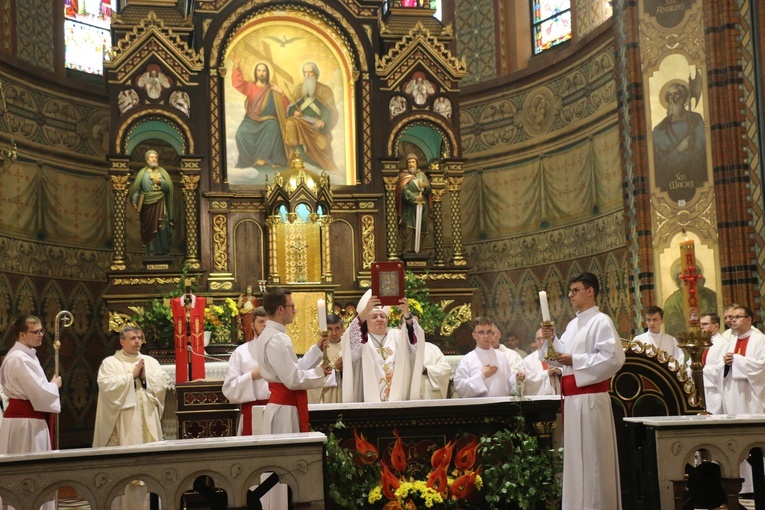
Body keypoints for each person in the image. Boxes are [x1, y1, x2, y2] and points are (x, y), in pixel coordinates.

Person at [541, 272, 625, 510]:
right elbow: (560, 357)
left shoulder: (601, 321)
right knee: (576, 460)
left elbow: (614, 358)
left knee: (593, 457)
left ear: (590, 291)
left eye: (575, 290)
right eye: (570, 291)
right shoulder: (573, 324)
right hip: (574, 401)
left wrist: (574, 360)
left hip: (590, 400)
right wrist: (552, 340)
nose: (570, 295)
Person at [702, 306, 765, 495]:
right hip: (732, 394)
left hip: (751, 396)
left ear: (749, 319)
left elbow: (762, 366)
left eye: (738, 317)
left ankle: (758, 485)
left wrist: (737, 360)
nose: (733, 320)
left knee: (754, 442)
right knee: (736, 441)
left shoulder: (760, 339)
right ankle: (743, 485)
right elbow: (722, 364)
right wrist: (726, 363)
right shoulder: (732, 341)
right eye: (732, 317)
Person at [0, 316, 61, 510]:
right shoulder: (19, 358)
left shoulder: (25, 356)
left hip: (25, 420)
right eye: (36, 332)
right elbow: (38, 392)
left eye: (41, 331)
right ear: (22, 334)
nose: (41, 335)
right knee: (28, 474)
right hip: (25, 423)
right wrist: (54, 385)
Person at [255, 288, 329, 434]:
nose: (295, 311)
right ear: (281, 309)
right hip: (284, 412)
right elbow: (293, 379)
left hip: (282, 408)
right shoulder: (278, 338)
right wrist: (320, 372)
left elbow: (293, 369)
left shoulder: (269, 334)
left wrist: (316, 350)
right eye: (292, 306)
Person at [340, 291, 425, 403]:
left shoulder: (396, 336)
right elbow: (351, 346)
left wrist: (407, 314)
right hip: (368, 398)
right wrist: (366, 310)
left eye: (382, 316)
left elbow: (415, 347)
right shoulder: (363, 339)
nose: (379, 319)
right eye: (374, 316)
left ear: (387, 320)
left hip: (398, 397)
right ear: (366, 321)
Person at [93, 326, 171, 447]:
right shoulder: (110, 363)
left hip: (148, 415)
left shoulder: (151, 361)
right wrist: (131, 377)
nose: (137, 341)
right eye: (133, 338)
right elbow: (106, 385)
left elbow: (163, 382)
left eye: (139, 338)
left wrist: (146, 378)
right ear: (122, 342)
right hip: (125, 418)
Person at [652, 82, 708, 203]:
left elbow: (702, 153)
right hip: (670, 185)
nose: (673, 98)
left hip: (694, 181)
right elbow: (658, 161)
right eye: (670, 95)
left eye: (676, 94)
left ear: (684, 97)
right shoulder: (659, 129)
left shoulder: (695, 120)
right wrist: (679, 149)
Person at [231, 58, 290, 169]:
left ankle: (262, 157)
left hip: (268, 121)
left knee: (273, 127)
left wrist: (281, 93)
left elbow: (285, 106)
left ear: (267, 73)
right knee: (240, 133)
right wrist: (237, 66)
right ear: (255, 72)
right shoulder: (250, 86)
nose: (261, 73)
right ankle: (248, 160)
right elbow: (238, 84)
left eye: (264, 71)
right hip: (251, 120)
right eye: (259, 70)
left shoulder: (272, 89)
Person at [283, 62, 338, 171]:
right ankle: (300, 156)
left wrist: (323, 120)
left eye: (310, 72)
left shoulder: (324, 90)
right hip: (300, 122)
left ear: (315, 74)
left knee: (322, 144)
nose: (307, 75)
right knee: (290, 123)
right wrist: (294, 113)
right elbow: (292, 107)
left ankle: (315, 163)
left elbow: (329, 111)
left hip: (315, 124)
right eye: (305, 72)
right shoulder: (299, 89)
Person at [222, 306, 269, 435]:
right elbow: (229, 389)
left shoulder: (281, 349)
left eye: (268, 322)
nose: (265, 325)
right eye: (261, 322)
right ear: (252, 325)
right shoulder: (241, 352)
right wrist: (252, 376)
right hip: (251, 410)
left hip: (277, 409)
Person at [454, 317, 526, 398]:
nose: (486, 336)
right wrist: (482, 375)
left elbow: (507, 383)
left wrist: (517, 379)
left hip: (502, 405)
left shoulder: (502, 357)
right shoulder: (467, 359)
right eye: (481, 332)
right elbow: (460, 387)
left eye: (489, 332)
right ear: (474, 335)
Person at [128, 149, 174, 256]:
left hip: (160, 202)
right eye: (151, 157)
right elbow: (137, 190)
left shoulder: (162, 172)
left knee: (162, 227)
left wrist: (160, 182)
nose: (153, 159)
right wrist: (134, 202)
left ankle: (163, 251)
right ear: (147, 159)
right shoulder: (142, 173)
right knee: (149, 229)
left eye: (155, 157)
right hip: (146, 206)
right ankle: (151, 252)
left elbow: (169, 188)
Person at [663, 259, 718, 336]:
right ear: (678, 279)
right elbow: (673, 329)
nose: (690, 279)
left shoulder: (711, 295)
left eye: (694, 273)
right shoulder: (672, 302)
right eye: (685, 275)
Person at [395, 153, 432, 253]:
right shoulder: (403, 176)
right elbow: (403, 190)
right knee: (408, 229)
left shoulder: (422, 175)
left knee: (420, 230)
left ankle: (419, 251)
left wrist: (425, 186)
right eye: (409, 162)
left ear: (417, 163)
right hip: (409, 208)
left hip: (421, 207)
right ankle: (407, 251)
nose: (411, 164)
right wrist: (414, 197)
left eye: (413, 162)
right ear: (407, 164)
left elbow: (428, 189)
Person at [311, 314, 345, 404]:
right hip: (328, 398)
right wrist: (335, 370)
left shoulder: (349, 348)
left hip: (346, 395)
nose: (334, 333)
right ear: (325, 331)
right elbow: (314, 378)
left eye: (337, 328)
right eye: (330, 329)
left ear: (343, 330)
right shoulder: (319, 350)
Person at [523, 328, 561, 395]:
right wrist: (546, 373)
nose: (542, 342)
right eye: (539, 339)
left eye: (544, 338)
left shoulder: (560, 355)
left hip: (559, 396)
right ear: (535, 341)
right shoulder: (528, 360)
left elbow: (568, 371)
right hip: (539, 399)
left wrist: (560, 372)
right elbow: (528, 380)